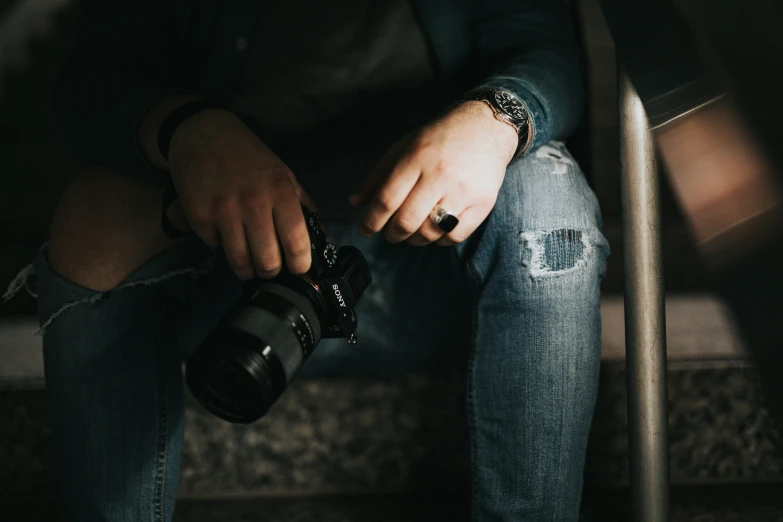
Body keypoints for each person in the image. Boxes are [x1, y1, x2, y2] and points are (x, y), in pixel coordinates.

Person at [33, 0, 609, 520]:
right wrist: (190, 131)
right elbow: (91, 80)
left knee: (548, 197)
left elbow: (549, 53)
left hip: (439, 276)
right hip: (235, 277)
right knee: (96, 215)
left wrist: (491, 120)